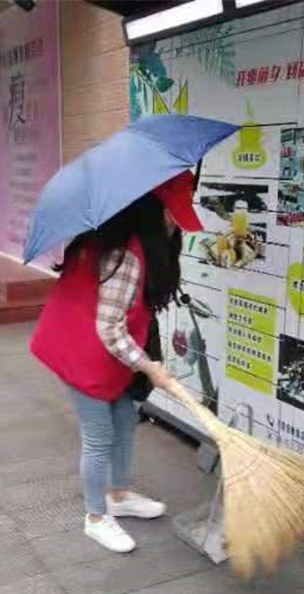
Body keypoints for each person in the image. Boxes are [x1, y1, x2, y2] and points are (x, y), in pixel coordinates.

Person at [30, 171, 203, 553]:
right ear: (154, 212)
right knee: (99, 436)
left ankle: (119, 496)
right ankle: (95, 517)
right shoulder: (125, 256)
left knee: (125, 418)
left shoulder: (134, 243)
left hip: (105, 353)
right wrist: (150, 366)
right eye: (173, 215)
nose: (177, 225)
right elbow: (109, 328)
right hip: (81, 354)